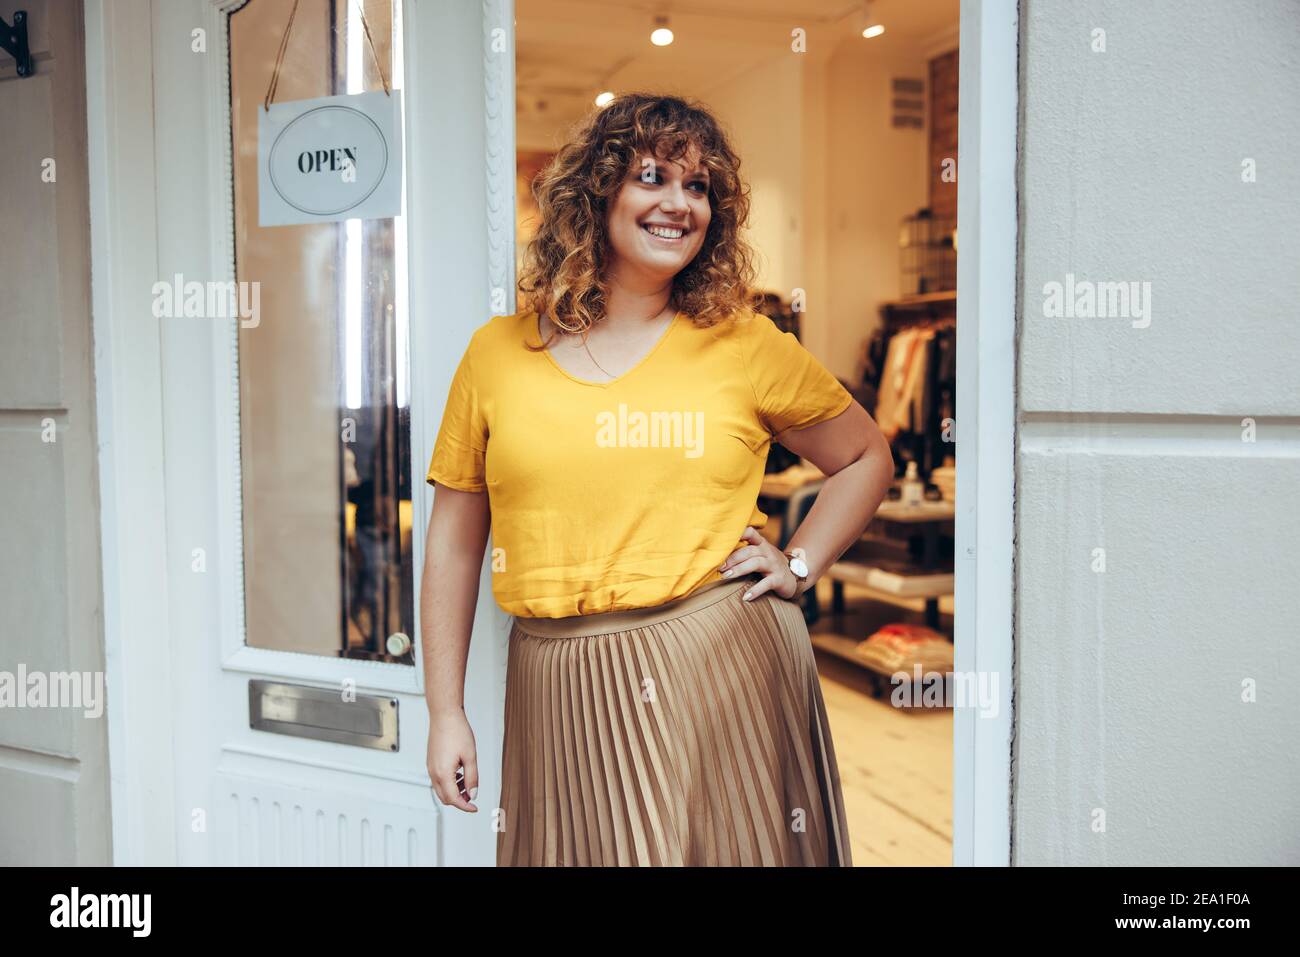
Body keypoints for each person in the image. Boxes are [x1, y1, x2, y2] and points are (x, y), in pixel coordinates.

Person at [419, 92, 894, 866]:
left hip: (716, 665)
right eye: (652, 177)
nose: (679, 203)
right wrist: (446, 710)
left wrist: (800, 562)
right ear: (597, 192)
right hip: (554, 682)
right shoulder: (496, 354)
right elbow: (453, 545)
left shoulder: (745, 344)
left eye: (699, 187)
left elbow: (866, 457)